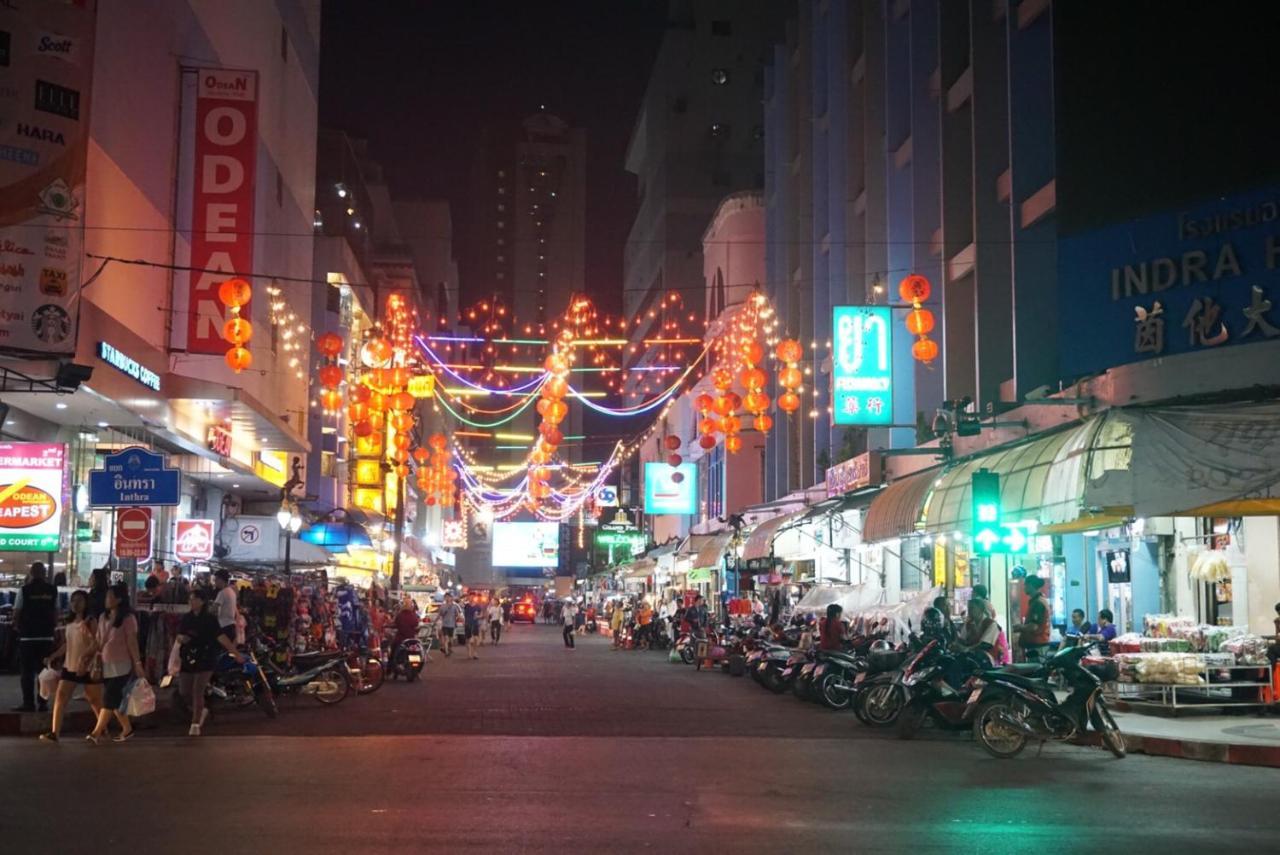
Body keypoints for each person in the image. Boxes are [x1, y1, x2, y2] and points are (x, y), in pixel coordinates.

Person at [176, 588, 244, 736]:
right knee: (184, 691)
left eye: (194, 599)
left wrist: (236, 653)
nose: (191, 602)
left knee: (197, 690)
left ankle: (195, 724)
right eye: (190, 599)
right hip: (188, 657)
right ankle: (202, 710)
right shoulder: (186, 618)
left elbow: (222, 638)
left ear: (202, 601)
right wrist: (182, 639)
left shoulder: (210, 620)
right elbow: (179, 636)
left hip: (206, 657)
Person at [38, 590, 103, 741]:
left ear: (86, 603)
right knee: (61, 697)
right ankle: (55, 732)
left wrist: (84, 657)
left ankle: (102, 729)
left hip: (88, 667)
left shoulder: (90, 621)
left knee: (94, 700)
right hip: (70, 665)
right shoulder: (69, 622)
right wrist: (53, 656)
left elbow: (96, 643)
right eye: (73, 600)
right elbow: (67, 644)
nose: (76, 603)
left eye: (79, 600)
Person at [87, 583, 144, 744]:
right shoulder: (103, 617)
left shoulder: (128, 619)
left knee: (109, 698)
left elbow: (132, 642)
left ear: (118, 599)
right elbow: (98, 640)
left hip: (122, 664)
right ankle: (127, 729)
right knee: (116, 700)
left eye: (109, 596)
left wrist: (138, 663)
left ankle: (96, 732)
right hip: (106, 663)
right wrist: (88, 656)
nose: (106, 599)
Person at [12, 561, 58, 713]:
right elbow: (56, 612)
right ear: (44, 573)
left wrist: (16, 626)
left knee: (27, 672)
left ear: (31, 573)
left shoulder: (24, 590)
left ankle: (28, 703)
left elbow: (17, 611)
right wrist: (53, 629)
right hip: (46, 637)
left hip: (28, 636)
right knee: (43, 672)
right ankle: (43, 703)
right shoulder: (53, 590)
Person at [1014, 576, 1051, 662]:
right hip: (1036, 644)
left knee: (1036, 671)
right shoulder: (1037, 601)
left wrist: (1020, 627)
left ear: (1031, 585)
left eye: (1025, 585)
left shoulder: (1038, 603)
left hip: (1038, 645)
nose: (1024, 588)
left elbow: (1034, 626)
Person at [212, 569, 238, 641]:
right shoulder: (232, 592)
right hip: (231, 626)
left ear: (221, 580)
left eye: (216, 579)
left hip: (223, 627)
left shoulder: (222, 593)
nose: (215, 582)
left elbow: (214, 609)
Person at [436, 593, 462, 657]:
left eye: (448, 597)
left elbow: (458, 614)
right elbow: (439, 615)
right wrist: (435, 621)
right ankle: (446, 652)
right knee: (446, 638)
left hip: (452, 625)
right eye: (446, 597)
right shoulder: (442, 606)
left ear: (451, 598)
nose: (447, 598)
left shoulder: (454, 606)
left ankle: (449, 648)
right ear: (444, 598)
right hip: (445, 625)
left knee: (451, 640)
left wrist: (460, 619)